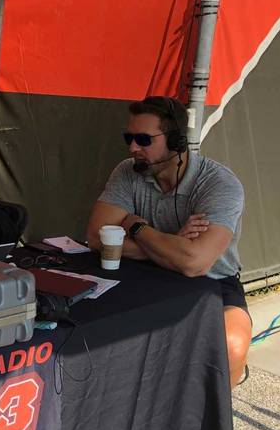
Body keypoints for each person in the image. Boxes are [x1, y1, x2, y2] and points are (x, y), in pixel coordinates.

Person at [86, 96, 252, 392]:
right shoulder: (128, 170)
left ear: (176, 142)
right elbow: (98, 236)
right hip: (143, 270)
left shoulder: (219, 184)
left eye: (143, 139)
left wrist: (135, 226)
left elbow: (194, 263)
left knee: (232, 347)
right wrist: (173, 246)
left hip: (213, 281)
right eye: (129, 137)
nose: (132, 147)